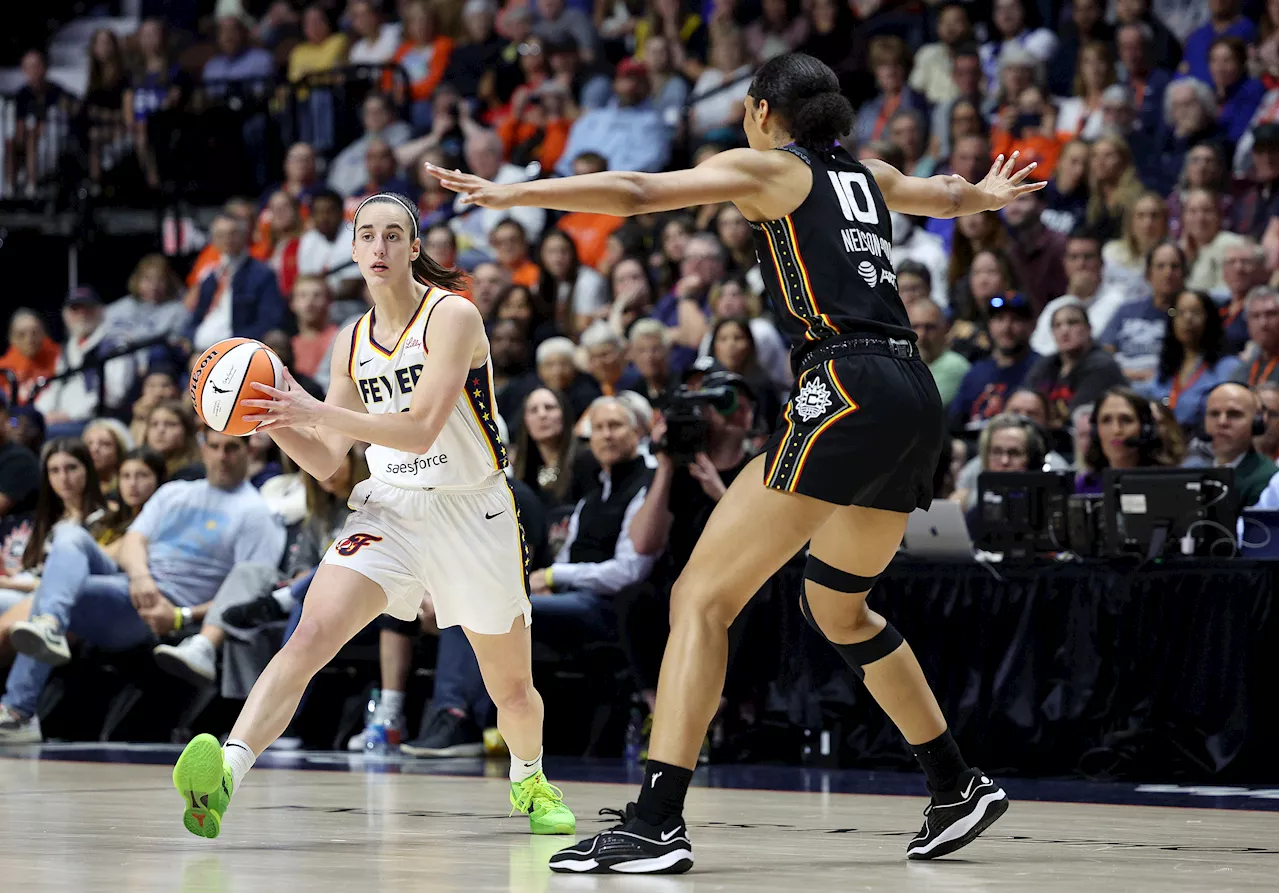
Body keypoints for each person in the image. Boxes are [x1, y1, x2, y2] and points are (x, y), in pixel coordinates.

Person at [427, 51, 1043, 872]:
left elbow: (641, 193)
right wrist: (986, 196)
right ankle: (956, 783)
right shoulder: (867, 173)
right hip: (912, 392)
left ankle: (657, 820)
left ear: (760, 112)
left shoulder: (769, 169)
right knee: (839, 607)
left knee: (700, 596)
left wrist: (518, 194)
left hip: (847, 380)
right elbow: (947, 196)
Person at [169, 192, 575, 841]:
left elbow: (417, 430)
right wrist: (271, 417)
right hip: (390, 507)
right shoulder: (350, 339)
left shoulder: (453, 316)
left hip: (473, 509)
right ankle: (226, 772)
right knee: (307, 638)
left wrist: (313, 409)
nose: (380, 247)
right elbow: (328, 458)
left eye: (394, 235)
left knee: (514, 690)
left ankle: (530, 777)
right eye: (369, 236)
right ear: (354, 250)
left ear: (415, 248)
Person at [1183, 382, 1279, 507]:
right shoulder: (1192, 470)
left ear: (1256, 423)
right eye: (1214, 414)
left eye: (1234, 414)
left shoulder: (1267, 479)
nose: (1222, 422)